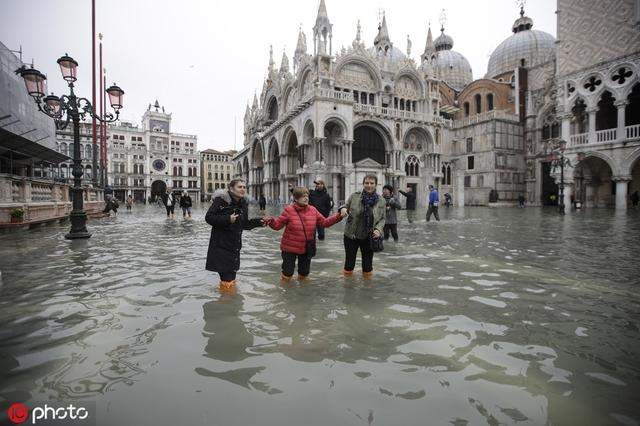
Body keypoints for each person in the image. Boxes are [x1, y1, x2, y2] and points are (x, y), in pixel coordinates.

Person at [265, 187, 346, 282]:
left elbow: (325, 223)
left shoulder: (313, 210)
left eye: (307, 196)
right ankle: (286, 294)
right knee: (287, 274)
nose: (306, 198)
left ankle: (302, 294)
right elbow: (277, 226)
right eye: (303, 196)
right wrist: (270, 221)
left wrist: (339, 216)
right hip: (289, 249)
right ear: (296, 198)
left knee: (304, 274)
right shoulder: (288, 210)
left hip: (306, 248)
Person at [205, 179, 267, 292]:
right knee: (228, 280)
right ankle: (227, 305)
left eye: (244, 187)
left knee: (230, 280)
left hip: (234, 247)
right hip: (221, 247)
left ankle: (227, 303)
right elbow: (209, 218)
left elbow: (244, 224)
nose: (243, 189)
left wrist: (259, 222)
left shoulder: (243, 202)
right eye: (240, 187)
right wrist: (228, 219)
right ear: (231, 188)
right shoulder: (221, 200)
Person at [342, 175, 386, 278]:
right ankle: (348, 286)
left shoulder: (381, 200)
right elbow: (345, 206)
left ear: (376, 185)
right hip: (351, 235)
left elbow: (383, 219)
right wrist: (343, 209)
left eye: (371, 183)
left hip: (369, 236)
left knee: (367, 266)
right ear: (363, 184)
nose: (369, 185)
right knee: (349, 263)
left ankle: (367, 290)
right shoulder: (354, 196)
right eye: (367, 183)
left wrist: (378, 230)